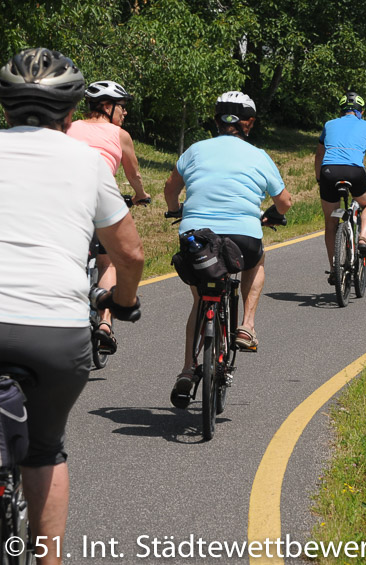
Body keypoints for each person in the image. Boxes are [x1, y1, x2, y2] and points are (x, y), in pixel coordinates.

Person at [0, 47, 143, 565]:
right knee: (44, 449)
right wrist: (121, 302)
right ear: (68, 112)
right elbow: (128, 253)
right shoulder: (87, 162)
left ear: (6, 108)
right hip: (53, 335)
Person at [164, 91, 292, 403]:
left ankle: (185, 370)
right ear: (249, 123)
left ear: (216, 119)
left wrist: (175, 209)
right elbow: (284, 202)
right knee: (255, 261)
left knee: (200, 300)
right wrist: (274, 215)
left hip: (197, 239)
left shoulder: (195, 150)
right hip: (243, 238)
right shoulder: (259, 155)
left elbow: (170, 189)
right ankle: (246, 325)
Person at [67, 80, 150, 354]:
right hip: (101, 203)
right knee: (109, 263)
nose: (124, 113)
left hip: (69, 204)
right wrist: (141, 195)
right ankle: (105, 324)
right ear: (106, 106)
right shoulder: (119, 134)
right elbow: (134, 175)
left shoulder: (69, 127)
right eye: (122, 107)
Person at [315, 91, 366, 285]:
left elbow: (318, 155)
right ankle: (363, 239)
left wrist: (320, 178)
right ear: (362, 111)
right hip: (354, 172)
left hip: (328, 172)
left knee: (330, 222)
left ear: (341, 111)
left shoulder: (329, 124)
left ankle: (334, 269)